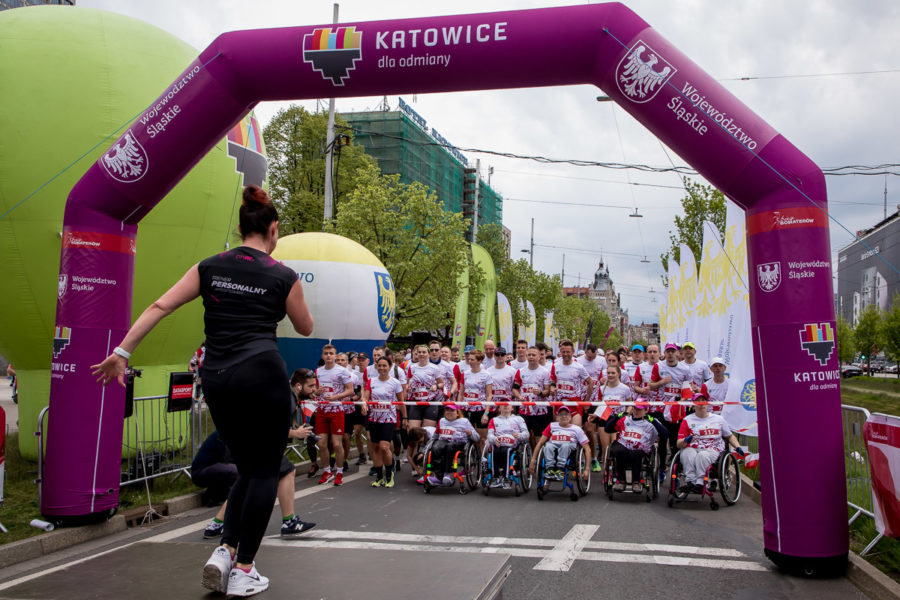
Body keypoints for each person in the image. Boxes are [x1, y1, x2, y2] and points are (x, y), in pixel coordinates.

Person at [91, 184, 313, 597]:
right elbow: (305, 327)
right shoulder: (283, 275)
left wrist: (122, 352)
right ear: (273, 229)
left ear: (241, 228)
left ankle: (225, 551)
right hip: (261, 374)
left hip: (217, 377)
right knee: (266, 469)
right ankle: (245, 568)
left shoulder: (210, 266)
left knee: (247, 467)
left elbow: (160, 306)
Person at [676, 392, 744, 494]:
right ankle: (690, 481)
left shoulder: (718, 419)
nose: (701, 404)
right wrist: (685, 440)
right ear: (693, 406)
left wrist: (738, 447)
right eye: (698, 402)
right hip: (693, 447)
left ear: (707, 403)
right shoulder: (687, 420)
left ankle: (700, 483)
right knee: (687, 453)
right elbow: (678, 444)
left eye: (703, 401)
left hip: (712, 449)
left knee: (702, 456)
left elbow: (729, 436)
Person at [603, 398, 667, 493]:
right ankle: (621, 481)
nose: (636, 411)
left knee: (635, 453)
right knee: (619, 450)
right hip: (623, 444)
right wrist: (617, 417)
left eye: (639, 409)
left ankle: (636, 482)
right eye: (635, 408)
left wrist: (653, 421)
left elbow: (665, 434)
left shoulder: (650, 423)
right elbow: (607, 429)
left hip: (640, 449)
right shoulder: (625, 419)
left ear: (646, 410)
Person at [646, 343, 691, 470]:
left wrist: (682, 399)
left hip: (677, 409)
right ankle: (661, 466)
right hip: (662, 408)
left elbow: (689, 388)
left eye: (673, 351)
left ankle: (676, 466)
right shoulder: (658, 366)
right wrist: (662, 382)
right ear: (664, 353)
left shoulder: (685, 369)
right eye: (668, 351)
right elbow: (651, 386)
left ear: (677, 353)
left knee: (675, 438)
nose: (670, 354)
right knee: (663, 437)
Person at [362, 356, 407, 487]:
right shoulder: (371, 381)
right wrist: (364, 404)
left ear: (389, 367)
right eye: (379, 366)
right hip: (374, 418)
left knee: (384, 447)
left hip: (389, 418)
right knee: (375, 448)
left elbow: (401, 402)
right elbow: (365, 397)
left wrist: (405, 418)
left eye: (384, 366)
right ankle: (379, 476)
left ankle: (389, 474)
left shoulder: (395, 382)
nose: (381, 368)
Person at [314, 345, 355, 486]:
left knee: (337, 444)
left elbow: (350, 390)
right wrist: (317, 392)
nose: (328, 356)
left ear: (335, 356)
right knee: (321, 444)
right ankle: (327, 471)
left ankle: (339, 472)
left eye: (331, 353)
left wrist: (336, 397)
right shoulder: (318, 371)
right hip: (322, 410)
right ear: (322, 355)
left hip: (337, 410)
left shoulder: (342, 371)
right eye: (326, 353)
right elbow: (315, 390)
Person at [528, 406, 591, 481]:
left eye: (566, 414)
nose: (564, 416)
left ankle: (560, 469)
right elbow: (540, 442)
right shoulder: (552, 426)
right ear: (557, 418)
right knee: (548, 445)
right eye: (561, 414)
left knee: (565, 445)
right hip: (553, 448)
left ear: (570, 417)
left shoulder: (577, 429)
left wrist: (587, 469)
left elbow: (587, 449)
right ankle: (550, 468)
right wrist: (533, 461)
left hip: (569, 450)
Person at [427, 404, 479, 486]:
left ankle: (447, 474)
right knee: (436, 447)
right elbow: (434, 437)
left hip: (459, 443)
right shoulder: (442, 421)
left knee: (449, 446)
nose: (449, 412)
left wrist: (470, 434)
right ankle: (438, 477)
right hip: (444, 441)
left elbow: (477, 437)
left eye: (452, 410)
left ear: (457, 413)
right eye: (447, 410)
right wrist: (424, 451)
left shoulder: (464, 422)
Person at [589, 365, 633, 463]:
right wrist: (595, 415)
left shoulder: (625, 388)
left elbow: (630, 404)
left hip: (618, 420)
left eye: (613, 373)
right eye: (608, 373)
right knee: (605, 450)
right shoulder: (601, 389)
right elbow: (600, 405)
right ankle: (606, 471)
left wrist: (626, 413)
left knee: (615, 449)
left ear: (618, 374)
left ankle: (615, 469)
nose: (610, 375)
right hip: (604, 419)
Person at [512, 347, 552, 448]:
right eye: (529, 355)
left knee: (539, 436)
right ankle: (532, 453)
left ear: (539, 357)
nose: (531, 357)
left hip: (540, 410)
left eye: (533, 355)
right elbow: (515, 389)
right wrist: (519, 396)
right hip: (524, 410)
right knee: (528, 435)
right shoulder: (520, 371)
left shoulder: (545, 372)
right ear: (526, 356)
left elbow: (548, 391)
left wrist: (540, 393)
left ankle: (537, 454)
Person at [485, 403, 529, 489]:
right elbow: (489, 434)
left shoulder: (519, 419)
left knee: (506, 451)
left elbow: (526, 434)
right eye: (503, 404)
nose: (505, 405)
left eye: (508, 404)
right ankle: (495, 477)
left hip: (513, 444)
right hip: (498, 442)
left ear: (512, 408)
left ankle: (506, 478)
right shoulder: (493, 420)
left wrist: (519, 435)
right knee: (494, 450)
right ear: (499, 408)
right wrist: (494, 439)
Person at [549, 340, 592, 426]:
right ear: (560, 352)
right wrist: (552, 388)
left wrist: (586, 401)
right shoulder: (555, 365)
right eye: (563, 352)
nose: (565, 354)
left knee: (575, 429)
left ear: (573, 352)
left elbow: (590, 382)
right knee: (560, 430)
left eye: (568, 352)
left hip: (574, 403)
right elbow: (553, 381)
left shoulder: (579, 367)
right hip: (560, 403)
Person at [578, 344, 606, 471]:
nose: (591, 358)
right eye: (589, 357)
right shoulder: (578, 361)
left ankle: (594, 458)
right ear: (585, 352)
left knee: (590, 430)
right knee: (580, 430)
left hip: (594, 400)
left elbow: (606, 375)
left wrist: (604, 379)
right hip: (580, 399)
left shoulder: (602, 361)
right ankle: (582, 459)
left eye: (593, 357)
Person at [457, 349, 493, 447]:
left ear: (479, 361)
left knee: (482, 438)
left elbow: (489, 395)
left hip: (480, 409)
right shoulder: (465, 373)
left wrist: (486, 413)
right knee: (466, 436)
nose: (469, 361)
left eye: (472, 360)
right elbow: (461, 393)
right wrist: (458, 409)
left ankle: (482, 456)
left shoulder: (486, 374)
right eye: (469, 359)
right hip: (466, 408)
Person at [406, 344, 445, 430]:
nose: (421, 354)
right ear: (416, 354)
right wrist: (407, 387)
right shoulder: (411, 367)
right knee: (413, 430)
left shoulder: (434, 368)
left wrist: (436, 386)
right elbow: (407, 383)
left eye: (424, 352)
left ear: (428, 354)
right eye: (419, 352)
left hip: (430, 402)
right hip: (416, 401)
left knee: (427, 431)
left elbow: (442, 383)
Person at [487, 346, 517, 419]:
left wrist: (512, 396)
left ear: (506, 356)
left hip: (507, 405)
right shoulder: (488, 371)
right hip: (492, 406)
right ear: (494, 356)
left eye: (502, 355)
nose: (500, 356)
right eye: (497, 355)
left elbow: (516, 388)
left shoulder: (512, 371)